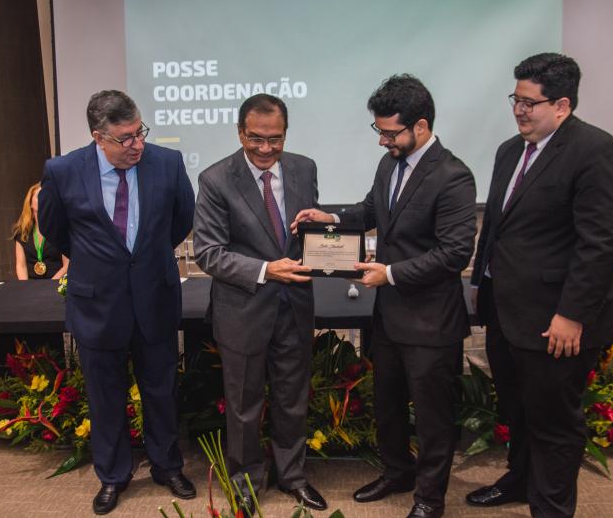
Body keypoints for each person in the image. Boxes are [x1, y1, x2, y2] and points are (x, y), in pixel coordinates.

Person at [293, 74, 477, 518]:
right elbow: (371, 211)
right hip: (390, 316)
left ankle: (429, 499)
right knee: (388, 405)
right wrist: (329, 218)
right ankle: (397, 472)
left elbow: (454, 254)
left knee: (432, 417)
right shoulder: (390, 164)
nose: (382, 141)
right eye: (379, 131)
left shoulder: (453, 176)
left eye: (390, 132)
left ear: (421, 126)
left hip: (432, 321)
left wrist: (390, 274)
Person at [468, 53, 613, 517]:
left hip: (557, 320)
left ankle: (551, 508)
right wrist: (481, 282)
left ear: (562, 105)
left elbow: (601, 244)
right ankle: (520, 481)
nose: (518, 111)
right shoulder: (509, 151)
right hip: (507, 312)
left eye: (529, 103)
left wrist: (572, 314)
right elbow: (496, 227)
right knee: (518, 410)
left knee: (554, 423)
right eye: (515, 100)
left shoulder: (597, 151)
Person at [38, 90, 196, 515]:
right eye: (125, 138)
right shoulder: (63, 171)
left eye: (140, 132)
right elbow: (54, 229)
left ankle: (167, 466)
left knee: (161, 390)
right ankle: (112, 475)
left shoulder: (167, 163)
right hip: (97, 304)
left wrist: (145, 259)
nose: (137, 144)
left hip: (155, 297)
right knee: (105, 395)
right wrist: (100, 262)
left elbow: (181, 220)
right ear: (98, 137)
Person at [192, 94, 327, 513]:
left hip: (295, 306)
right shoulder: (216, 179)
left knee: (292, 399)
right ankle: (246, 481)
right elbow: (208, 253)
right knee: (244, 405)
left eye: (275, 139)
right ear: (240, 133)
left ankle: (293, 477)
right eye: (256, 139)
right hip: (243, 310)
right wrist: (268, 269)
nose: (266, 148)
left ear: (285, 133)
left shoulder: (304, 168)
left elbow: (309, 234)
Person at [12, 183, 68, 280]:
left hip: (56, 284)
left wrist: (48, 285)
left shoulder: (61, 230)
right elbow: (21, 266)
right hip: (31, 286)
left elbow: (67, 265)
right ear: (30, 203)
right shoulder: (22, 233)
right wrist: (25, 287)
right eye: (39, 196)